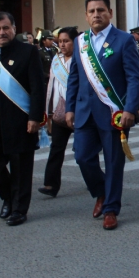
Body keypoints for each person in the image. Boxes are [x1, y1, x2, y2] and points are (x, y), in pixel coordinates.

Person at [66, 0, 139, 231]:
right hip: (84, 111)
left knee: (113, 162)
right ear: (86, 15)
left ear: (110, 12)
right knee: (82, 157)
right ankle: (100, 192)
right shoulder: (80, 42)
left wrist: (130, 108)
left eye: (101, 10)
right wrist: (69, 108)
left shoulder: (124, 40)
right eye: (92, 11)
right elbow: (74, 77)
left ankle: (110, 208)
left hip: (114, 112)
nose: (96, 15)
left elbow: (134, 77)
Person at [0, 12, 46, 226]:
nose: (2, 32)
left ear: (14, 29)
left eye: (6, 28)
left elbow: (37, 88)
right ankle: (7, 197)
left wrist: (35, 116)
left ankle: (19, 209)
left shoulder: (28, 52)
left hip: (19, 119)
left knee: (21, 167)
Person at [39, 27, 79, 198]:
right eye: (60, 41)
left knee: (85, 151)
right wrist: (48, 111)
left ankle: (96, 178)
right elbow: (51, 87)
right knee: (56, 149)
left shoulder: (82, 59)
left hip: (78, 112)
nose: (62, 44)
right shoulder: (56, 59)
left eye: (66, 41)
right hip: (58, 112)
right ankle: (51, 184)